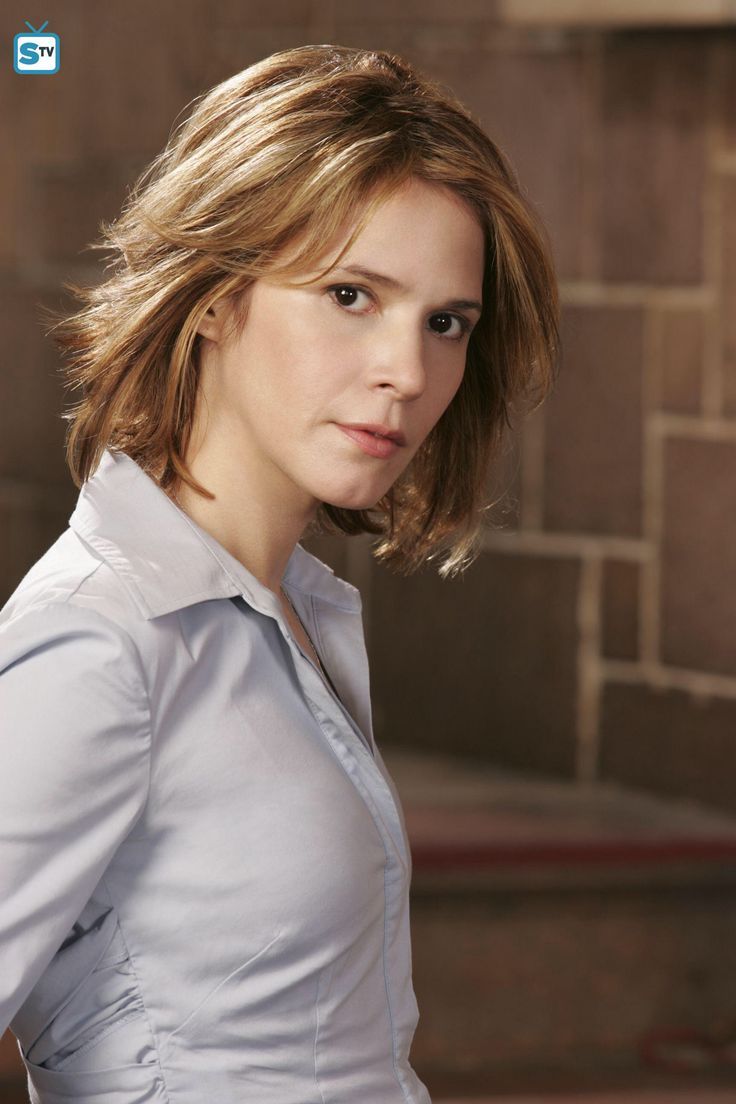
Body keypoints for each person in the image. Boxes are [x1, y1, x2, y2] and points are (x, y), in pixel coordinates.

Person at [0, 43, 558, 1104]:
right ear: (215, 295)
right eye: (351, 295)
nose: (408, 371)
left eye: (446, 322)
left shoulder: (293, 609)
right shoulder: (102, 642)